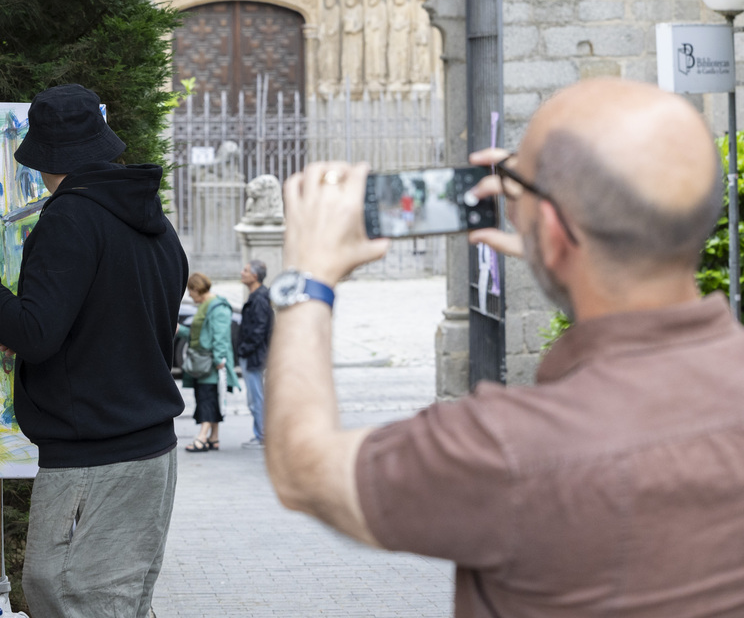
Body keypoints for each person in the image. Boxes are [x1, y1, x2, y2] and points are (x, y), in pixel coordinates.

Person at [265, 78, 744, 617]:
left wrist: (307, 277)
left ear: (556, 229)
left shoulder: (509, 448)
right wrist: (564, 253)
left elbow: (304, 470)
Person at [0, 83, 187, 618]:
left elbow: (35, 332)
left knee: (66, 592)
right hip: (149, 447)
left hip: (95, 454)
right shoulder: (153, 223)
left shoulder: (70, 220)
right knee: (111, 599)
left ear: (42, 160)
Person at [177, 272, 238, 452]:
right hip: (203, 363)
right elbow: (200, 335)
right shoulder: (206, 305)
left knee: (207, 399)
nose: (189, 295)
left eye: (190, 291)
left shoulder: (217, 307)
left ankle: (202, 437)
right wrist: (180, 330)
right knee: (211, 397)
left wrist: (219, 360)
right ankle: (214, 437)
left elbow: (220, 337)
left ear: (197, 289)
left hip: (209, 364)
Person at [236, 260, 272, 449]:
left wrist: (244, 349)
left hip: (254, 356)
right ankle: (260, 434)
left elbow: (259, 329)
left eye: (246, 270)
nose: (242, 273)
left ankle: (263, 436)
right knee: (255, 397)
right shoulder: (258, 296)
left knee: (255, 397)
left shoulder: (259, 298)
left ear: (255, 276)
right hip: (253, 354)